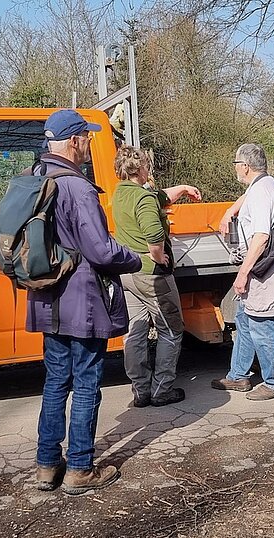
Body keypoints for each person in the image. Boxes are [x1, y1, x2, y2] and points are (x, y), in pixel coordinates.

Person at [30, 109, 143, 494]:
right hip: (81, 300)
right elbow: (100, 250)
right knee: (87, 383)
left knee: (55, 381)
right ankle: (80, 468)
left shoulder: (36, 177)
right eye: (87, 138)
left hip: (47, 296)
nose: (89, 145)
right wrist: (133, 256)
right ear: (74, 141)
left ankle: (47, 465)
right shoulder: (77, 187)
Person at [110, 146, 202, 409]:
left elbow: (160, 196)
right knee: (170, 330)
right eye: (147, 166)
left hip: (127, 273)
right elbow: (153, 234)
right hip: (151, 276)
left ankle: (141, 390)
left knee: (135, 332)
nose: (149, 169)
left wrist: (183, 188)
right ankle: (162, 389)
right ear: (140, 169)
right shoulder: (143, 199)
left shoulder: (122, 194)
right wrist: (159, 256)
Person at [211, 143, 274, 401]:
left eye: (236, 164)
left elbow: (261, 237)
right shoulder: (266, 185)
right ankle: (238, 375)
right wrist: (230, 210)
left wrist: (242, 273)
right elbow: (248, 198)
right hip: (267, 265)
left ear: (245, 167)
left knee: (262, 322)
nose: (235, 168)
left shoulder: (260, 192)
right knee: (246, 319)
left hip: (265, 267)